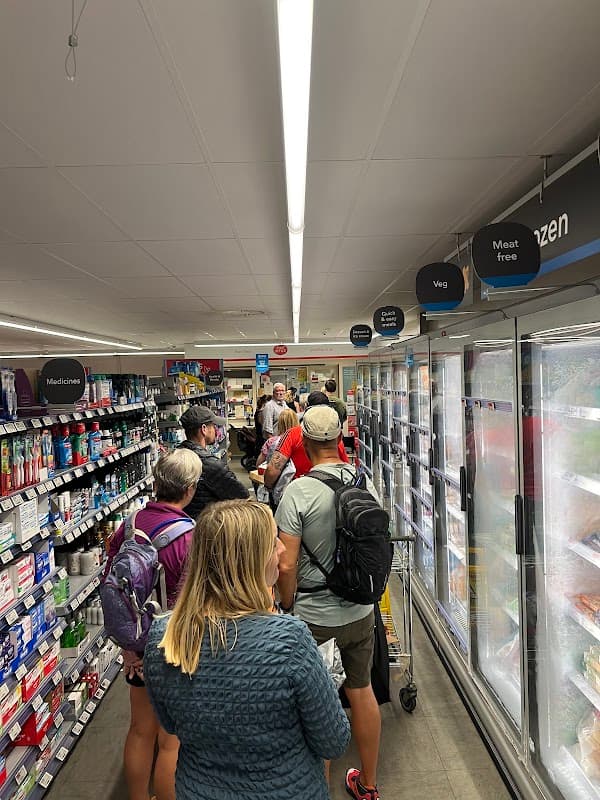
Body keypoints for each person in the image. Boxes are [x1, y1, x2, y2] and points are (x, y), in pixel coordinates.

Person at [144, 500, 350, 800]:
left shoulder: (165, 638)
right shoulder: (289, 642)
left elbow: (171, 723)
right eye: (272, 543)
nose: (282, 550)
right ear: (250, 560)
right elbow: (333, 741)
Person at [275, 405, 382, 800]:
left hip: (312, 616)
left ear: (303, 440)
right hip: (359, 610)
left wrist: (286, 606)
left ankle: (317, 787)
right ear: (341, 438)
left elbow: (286, 564)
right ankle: (368, 785)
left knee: (315, 703)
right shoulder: (363, 482)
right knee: (361, 690)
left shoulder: (297, 492)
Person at [104, 449, 202, 800]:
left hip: (138, 645)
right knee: (171, 740)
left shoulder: (130, 524)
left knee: (140, 730)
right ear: (190, 489)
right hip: (175, 646)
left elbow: (113, 582)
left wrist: (129, 647)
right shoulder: (190, 535)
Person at [263, 391, 348, 491]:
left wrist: (269, 487)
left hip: (298, 491)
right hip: (330, 491)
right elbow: (345, 467)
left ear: (306, 407)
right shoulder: (334, 436)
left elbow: (273, 470)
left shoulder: (293, 434)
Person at [178, 405, 249, 518]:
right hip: (206, 525)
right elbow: (242, 496)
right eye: (213, 426)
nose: (216, 430)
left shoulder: (175, 457)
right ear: (204, 429)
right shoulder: (211, 465)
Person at [255, 408, 298, 507]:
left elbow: (259, 464)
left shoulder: (272, 442)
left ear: (279, 423)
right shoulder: (303, 441)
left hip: (277, 487)